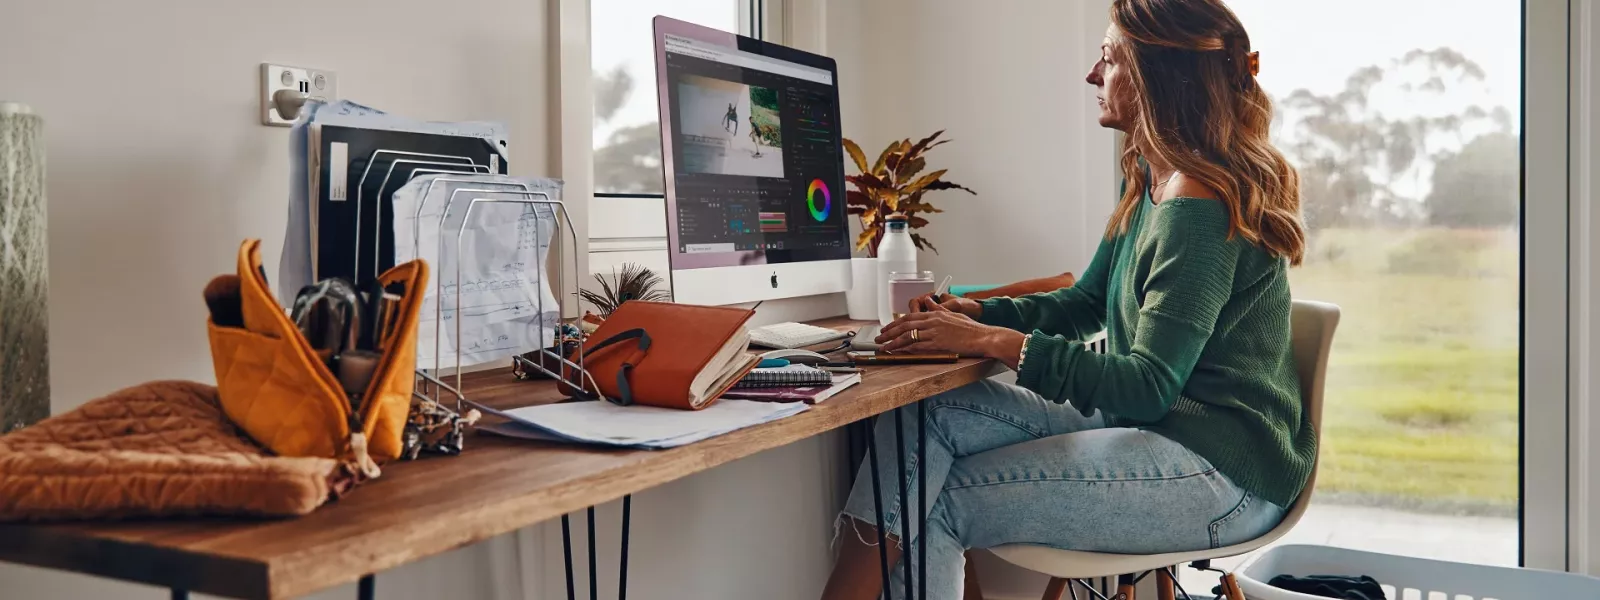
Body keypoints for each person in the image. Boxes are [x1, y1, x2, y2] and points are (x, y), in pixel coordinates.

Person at [819, 1, 1313, 599]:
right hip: (1157, 431)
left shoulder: (1198, 203)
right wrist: (977, 315)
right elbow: (1084, 303)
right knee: (919, 423)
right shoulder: (1152, 180)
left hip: (1222, 475)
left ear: (1156, 74)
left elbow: (1147, 384)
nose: (1091, 75)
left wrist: (994, 342)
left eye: (1108, 58)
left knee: (937, 499)